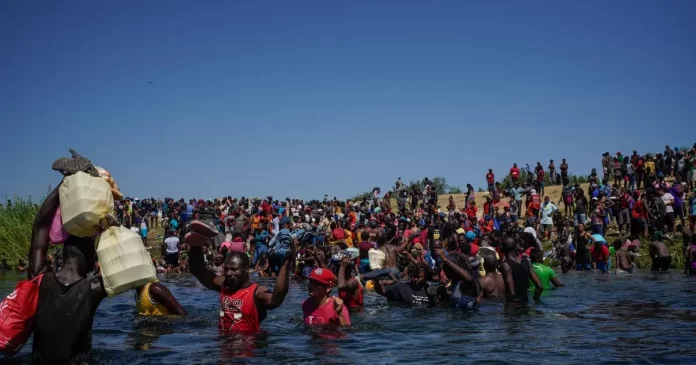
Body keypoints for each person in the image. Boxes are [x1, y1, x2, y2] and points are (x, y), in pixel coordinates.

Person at [28, 186, 109, 364]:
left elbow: (40, 227)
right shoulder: (94, 289)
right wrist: (109, 232)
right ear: (90, 256)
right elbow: (126, 266)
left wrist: (63, 185)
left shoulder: (39, 279)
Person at [189, 233, 294, 332]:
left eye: (233, 269)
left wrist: (286, 264)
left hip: (248, 347)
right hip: (224, 346)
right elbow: (197, 270)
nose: (228, 273)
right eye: (226, 269)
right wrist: (196, 241)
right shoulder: (224, 285)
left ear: (247, 270)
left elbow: (277, 299)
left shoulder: (256, 293)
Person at [373, 263, 441, 306]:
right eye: (413, 276)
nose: (415, 279)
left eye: (419, 277)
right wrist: (376, 282)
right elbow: (382, 291)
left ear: (426, 277)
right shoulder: (401, 287)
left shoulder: (430, 290)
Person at [499, 237, 543, 303]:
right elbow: (540, 286)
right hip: (525, 304)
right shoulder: (526, 261)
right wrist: (535, 300)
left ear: (503, 248)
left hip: (513, 307)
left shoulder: (506, 265)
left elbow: (511, 293)